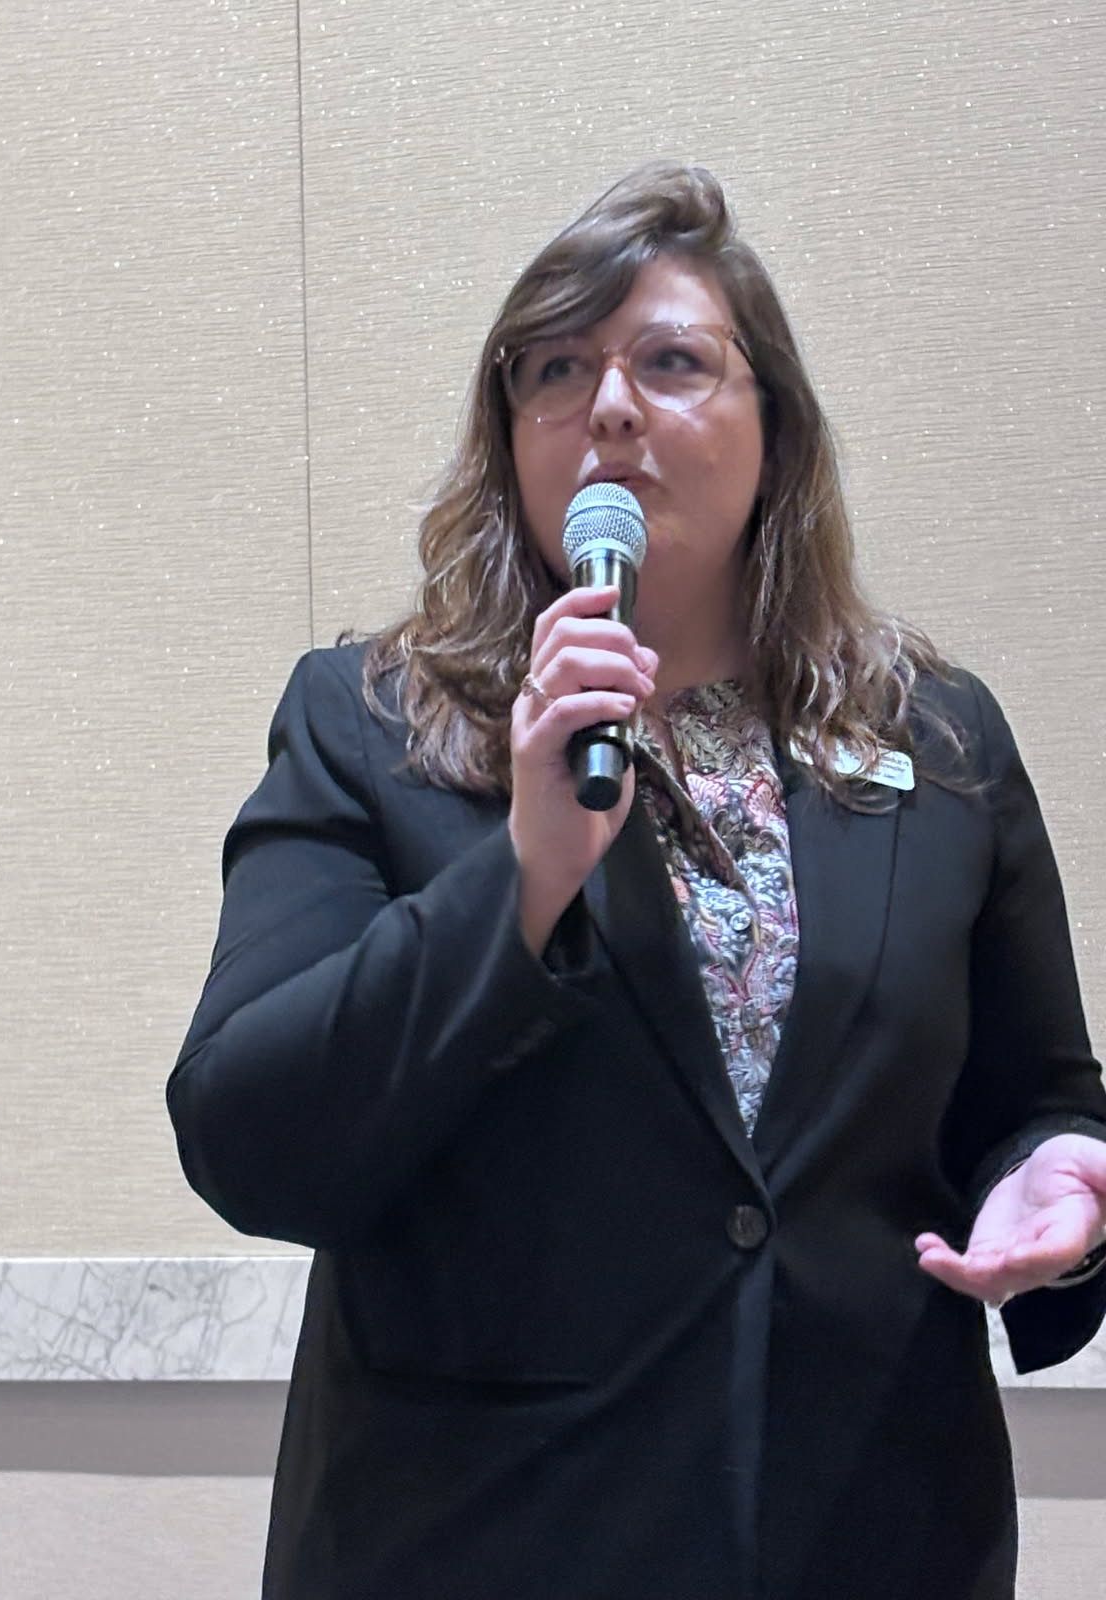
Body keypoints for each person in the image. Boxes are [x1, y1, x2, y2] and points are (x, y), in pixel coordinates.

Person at [166, 163, 1106, 1600]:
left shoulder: (936, 737)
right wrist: (525, 878)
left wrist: (1055, 1176)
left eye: (670, 362)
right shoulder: (368, 725)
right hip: (483, 1541)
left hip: (875, 1532)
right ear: (511, 434)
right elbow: (250, 1131)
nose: (609, 406)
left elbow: (1038, 1096)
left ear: (774, 429)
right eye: (556, 368)